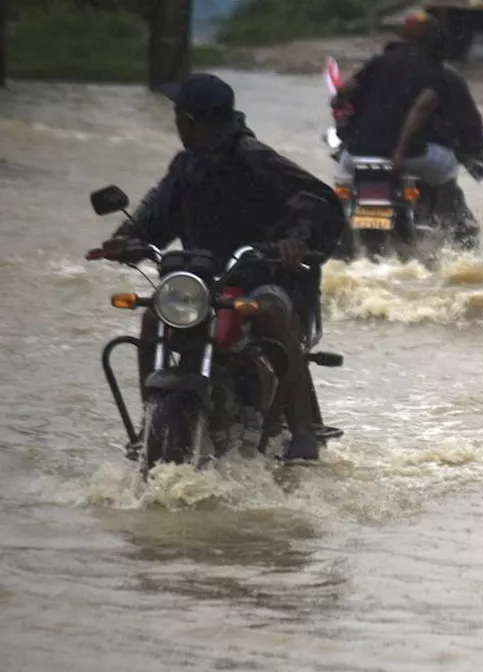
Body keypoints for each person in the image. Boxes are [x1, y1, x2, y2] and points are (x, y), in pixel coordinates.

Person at [96, 73, 344, 461]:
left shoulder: (254, 158)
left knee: (270, 314)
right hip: (199, 280)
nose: (176, 123)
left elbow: (319, 200)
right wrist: (128, 237)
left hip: (260, 275)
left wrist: (296, 239)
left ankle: (302, 433)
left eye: (179, 116)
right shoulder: (186, 166)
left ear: (192, 121)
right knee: (152, 318)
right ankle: (151, 421)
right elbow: (157, 209)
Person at [330, 10, 483, 247]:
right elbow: (422, 109)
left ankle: (339, 233)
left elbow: (343, 92)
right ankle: (444, 224)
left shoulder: (378, 62)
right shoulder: (438, 72)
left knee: (341, 183)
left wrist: (339, 107)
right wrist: (400, 152)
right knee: (447, 171)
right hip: (408, 156)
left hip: (358, 153)